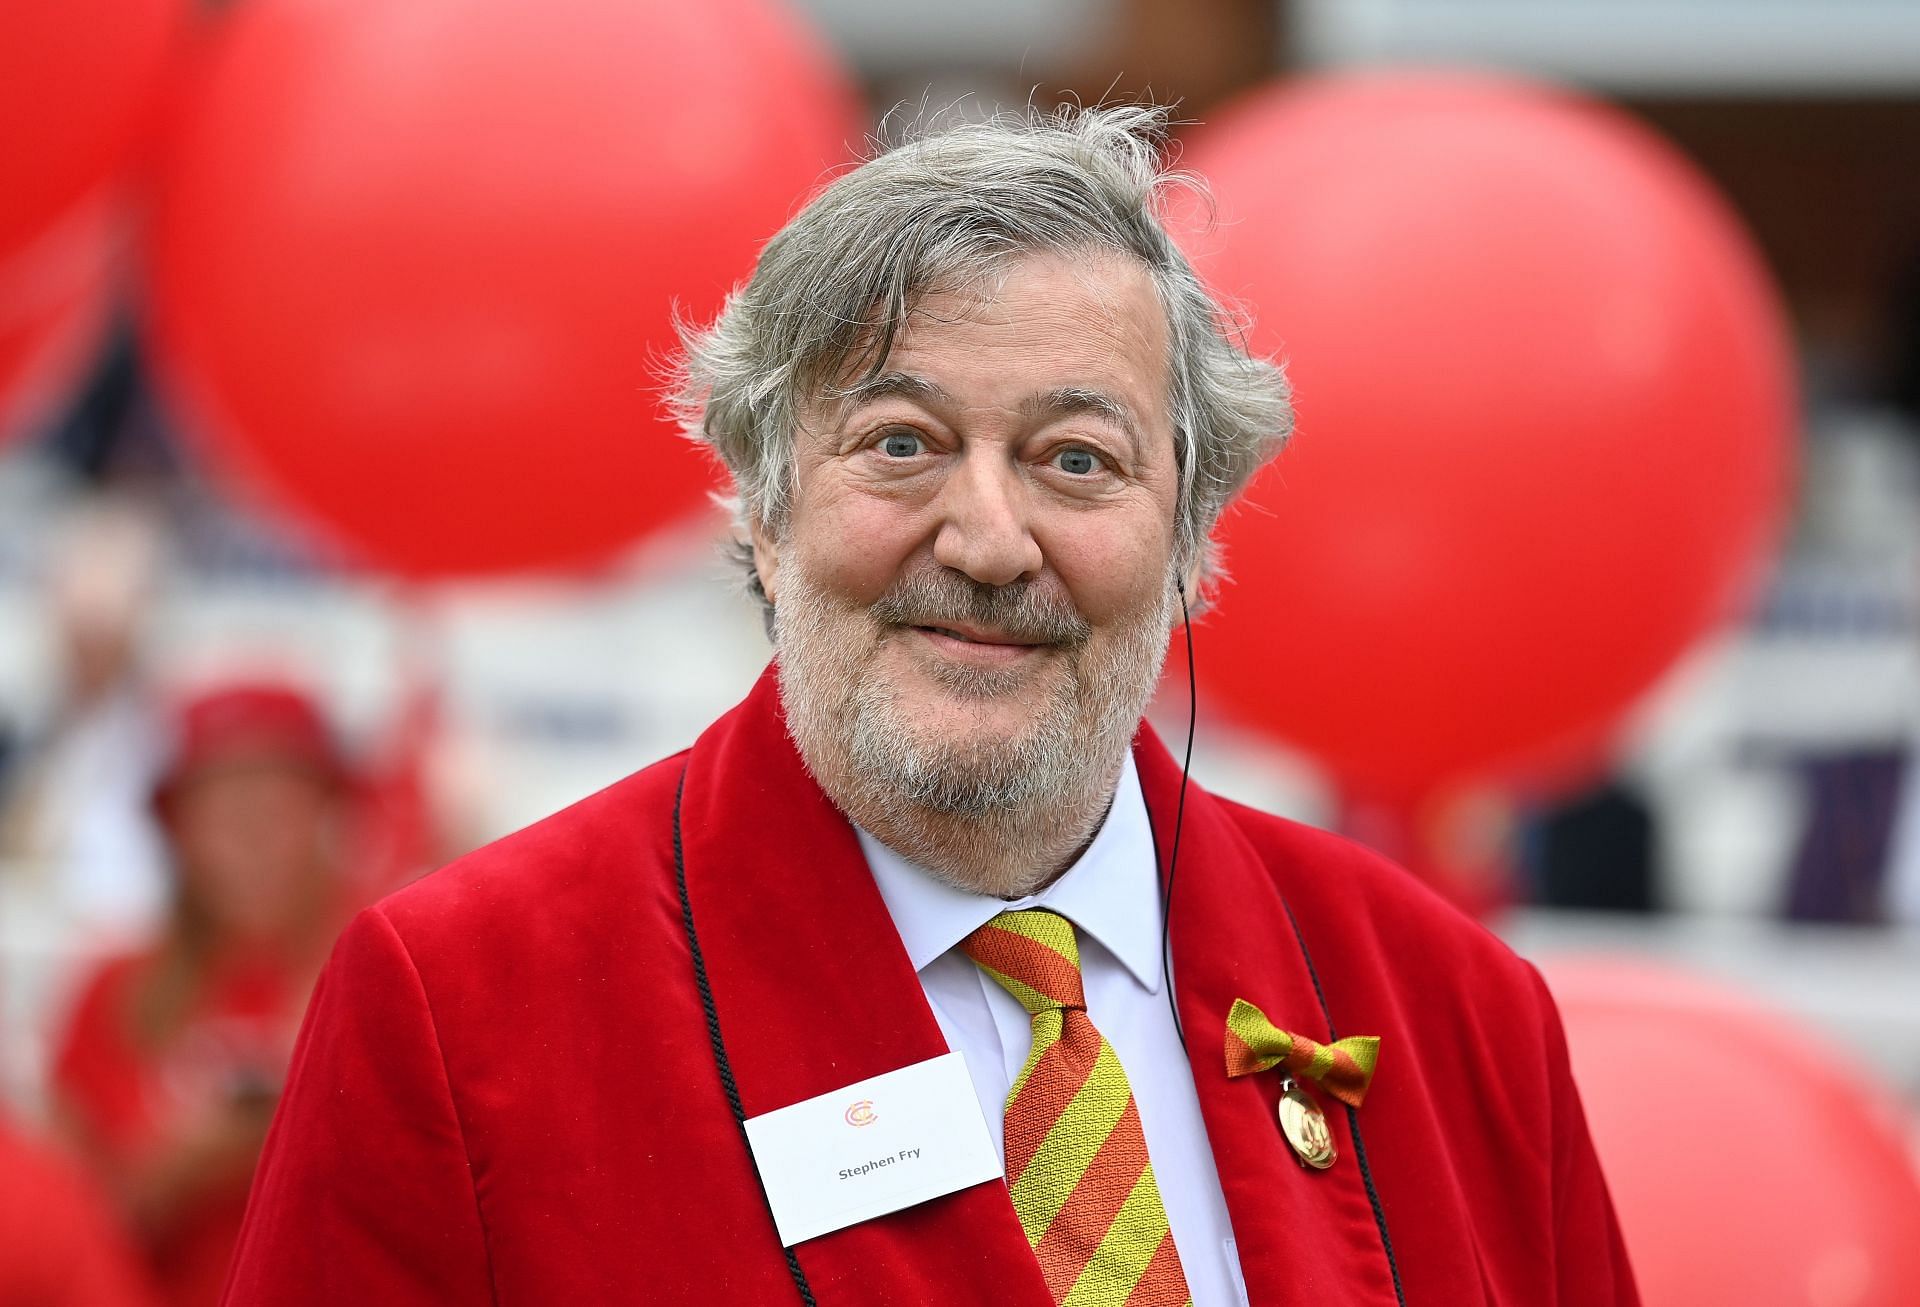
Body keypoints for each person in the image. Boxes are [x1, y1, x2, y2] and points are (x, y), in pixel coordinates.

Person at [222, 107, 1637, 1306]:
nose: (989, 537)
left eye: (1076, 459)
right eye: (901, 443)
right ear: (767, 513)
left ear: (1192, 540)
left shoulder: (1459, 1017)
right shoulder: (464, 1016)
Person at [53, 681, 356, 1306]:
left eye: (278, 805)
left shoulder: (381, 973)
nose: (251, 835)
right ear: (175, 830)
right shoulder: (115, 992)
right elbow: (59, 1233)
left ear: (326, 811)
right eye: (222, 809)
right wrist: (182, 1168)